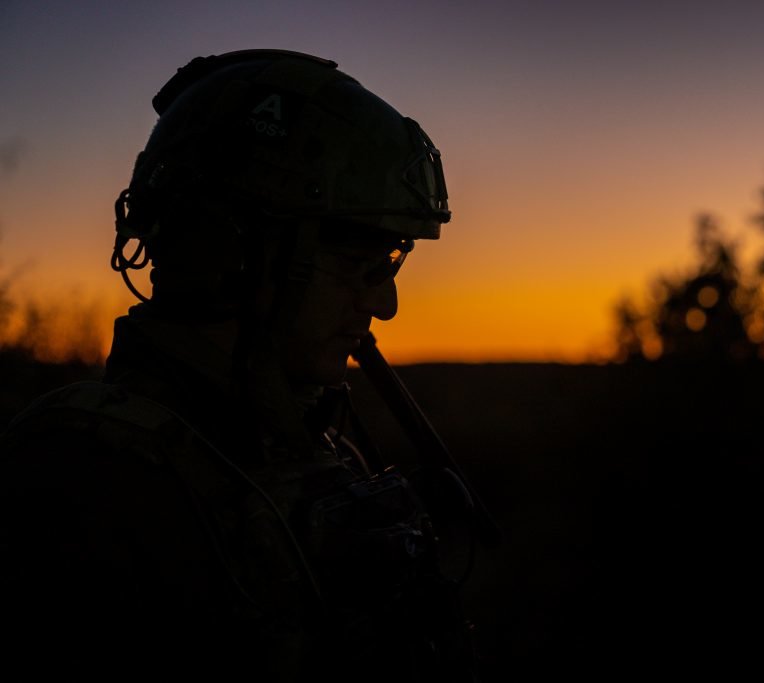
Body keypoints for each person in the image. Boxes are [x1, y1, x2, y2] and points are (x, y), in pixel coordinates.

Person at [0, 49, 495, 682]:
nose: (386, 304)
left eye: (389, 264)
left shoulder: (319, 449)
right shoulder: (79, 474)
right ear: (233, 246)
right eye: (357, 264)